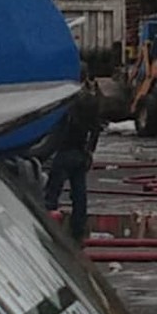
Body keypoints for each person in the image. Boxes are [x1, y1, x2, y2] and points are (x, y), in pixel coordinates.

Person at [44, 63, 101, 241]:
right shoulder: (91, 100)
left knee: (52, 193)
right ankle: (78, 230)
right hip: (81, 152)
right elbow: (96, 128)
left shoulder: (67, 101)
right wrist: (90, 151)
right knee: (79, 194)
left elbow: (58, 127)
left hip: (65, 151)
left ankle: (47, 227)